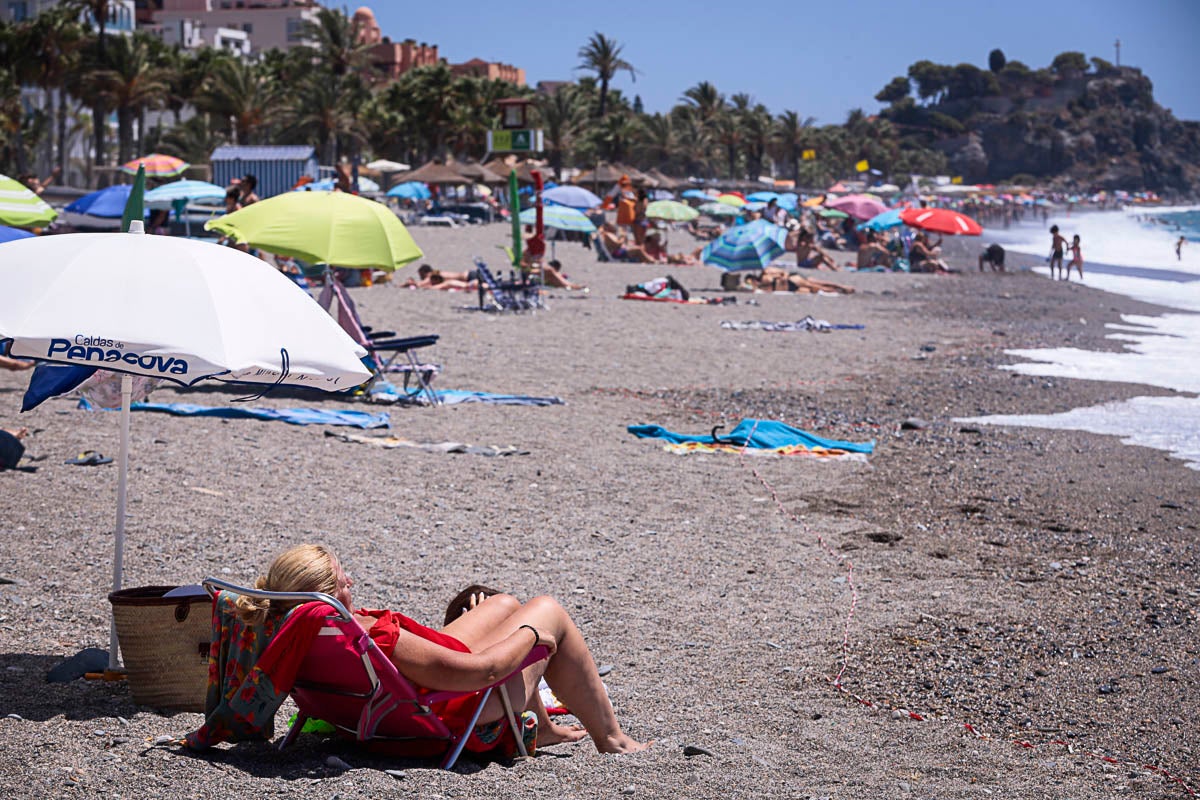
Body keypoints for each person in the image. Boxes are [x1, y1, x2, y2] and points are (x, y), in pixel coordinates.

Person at [237, 544, 648, 754]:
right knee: (548, 610)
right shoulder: (375, 639)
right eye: (344, 581)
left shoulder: (291, 627)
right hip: (452, 709)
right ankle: (613, 740)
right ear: (327, 593)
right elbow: (482, 673)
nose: (352, 584)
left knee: (501, 604)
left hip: (393, 699)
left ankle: (541, 727)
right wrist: (532, 638)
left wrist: (511, 623)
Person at [744, 267, 855, 295]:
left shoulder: (766, 272)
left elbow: (784, 272)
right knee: (815, 288)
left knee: (818, 285)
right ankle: (838, 290)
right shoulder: (759, 288)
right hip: (791, 288)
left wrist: (781, 277)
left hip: (792, 280)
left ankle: (842, 288)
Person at [402, 264, 478, 291]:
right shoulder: (437, 272)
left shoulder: (431, 275)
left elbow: (419, 284)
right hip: (469, 274)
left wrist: (407, 284)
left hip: (469, 277)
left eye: (421, 275)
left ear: (424, 272)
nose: (421, 277)